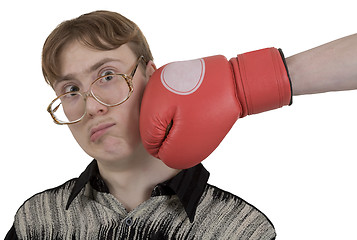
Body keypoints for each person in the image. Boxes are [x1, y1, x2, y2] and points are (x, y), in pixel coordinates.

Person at [5, 10, 356, 240]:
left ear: (152, 75)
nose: (92, 105)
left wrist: (242, 84)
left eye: (107, 75)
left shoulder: (240, 230)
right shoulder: (35, 221)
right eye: (70, 90)